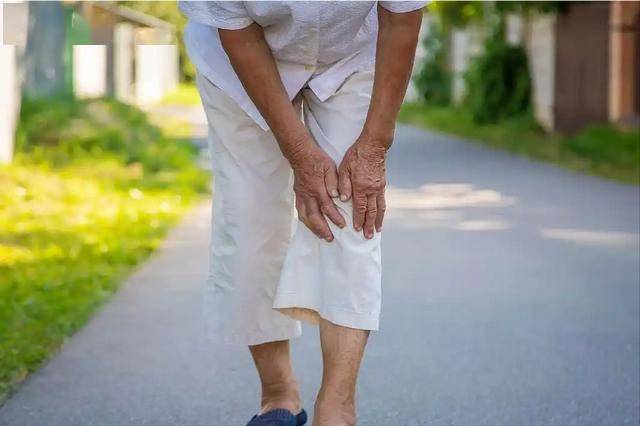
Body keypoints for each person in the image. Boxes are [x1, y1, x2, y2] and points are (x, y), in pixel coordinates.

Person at [179, 2, 424, 425]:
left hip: (351, 56)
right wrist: (299, 153)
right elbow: (238, 33)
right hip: (238, 64)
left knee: (351, 210)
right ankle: (278, 396)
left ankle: (338, 406)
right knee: (250, 219)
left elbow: (402, 15)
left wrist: (374, 145)